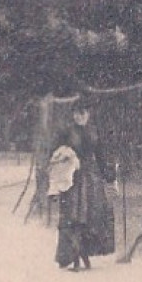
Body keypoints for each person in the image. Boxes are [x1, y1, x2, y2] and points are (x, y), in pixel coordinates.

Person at [50, 98, 115, 271]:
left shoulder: (94, 131)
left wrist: (108, 174)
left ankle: (86, 253)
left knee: (91, 217)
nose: (79, 116)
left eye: (83, 113)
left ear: (88, 114)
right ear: (72, 115)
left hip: (91, 178)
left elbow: (100, 155)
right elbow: (56, 154)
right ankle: (74, 257)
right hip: (72, 178)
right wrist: (65, 159)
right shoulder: (67, 132)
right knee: (74, 217)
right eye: (76, 113)